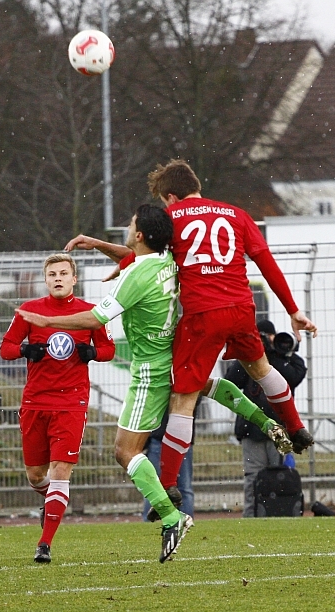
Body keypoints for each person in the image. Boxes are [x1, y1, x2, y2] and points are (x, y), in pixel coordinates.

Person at [68, 160, 317, 508]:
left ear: (170, 196)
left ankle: (170, 484)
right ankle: (295, 427)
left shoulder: (174, 219)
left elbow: (147, 257)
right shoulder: (236, 214)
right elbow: (266, 262)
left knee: (183, 400)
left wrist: (111, 254)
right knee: (261, 368)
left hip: (202, 314)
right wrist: (293, 310)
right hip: (242, 307)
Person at [19, 204, 191, 562]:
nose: (127, 229)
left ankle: (172, 514)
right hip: (174, 356)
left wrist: (48, 323)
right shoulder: (167, 260)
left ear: (141, 234)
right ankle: (275, 425)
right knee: (201, 395)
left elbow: (98, 317)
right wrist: (94, 243)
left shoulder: (134, 276)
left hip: (148, 368)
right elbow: (132, 255)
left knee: (125, 451)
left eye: (130, 224)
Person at [0, 253, 116, 564]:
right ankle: (51, 501)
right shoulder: (30, 312)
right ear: (46, 279)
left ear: (74, 279)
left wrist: (92, 352)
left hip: (71, 403)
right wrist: (25, 348)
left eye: (64, 273)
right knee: (36, 476)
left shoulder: (90, 313)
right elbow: (6, 347)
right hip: (35, 401)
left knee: (61, 471)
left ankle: (44, 544)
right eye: (52, 274)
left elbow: (108, 349)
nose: (58, 278)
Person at [225, 320, 306, 517]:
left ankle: (279, 513)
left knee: (279, 473)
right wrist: (249, 354)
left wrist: (269, 355)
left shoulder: (286, 358)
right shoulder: (247, 360)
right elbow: (231, 381)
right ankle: (252, 515)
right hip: (251, 429)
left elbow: (294, 376)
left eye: (267, 336)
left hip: (279, 429)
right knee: (252, 476)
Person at [140, 409, 196, 522]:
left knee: (154, 486)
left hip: (163, 437)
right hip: (174, 438)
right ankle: (184, 521)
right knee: (182, 488)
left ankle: (152, 522)